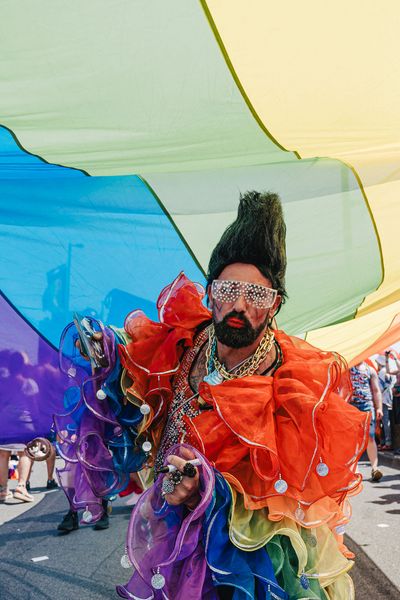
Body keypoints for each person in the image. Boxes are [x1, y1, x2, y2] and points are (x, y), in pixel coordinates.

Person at [63, 191, 369, 599]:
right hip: (169, 517)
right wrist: (106, 348)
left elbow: (278, 499)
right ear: (209, 293)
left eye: (256, 296)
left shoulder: (294, 387)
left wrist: (210, 490)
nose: (239, 305)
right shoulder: (185, 341)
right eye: (228, 291)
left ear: (275, 305)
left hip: (247, 551)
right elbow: (137, 361)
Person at [349, 361, 383, 481]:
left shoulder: (370, 370)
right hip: (350, 407)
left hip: (367, 407)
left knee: (371, 437)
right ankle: (355, 470)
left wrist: (379, 408)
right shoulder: (347, 368)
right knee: (353, 439)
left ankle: (375, 468)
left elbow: (376, 390)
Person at [375, 355, 396, 450]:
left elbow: (380, 388)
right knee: (386, 421)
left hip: (383, 399)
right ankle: (386, 441)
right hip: (389, 398)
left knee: (385, 421)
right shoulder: (389, 371)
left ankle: (387, 442)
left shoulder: (381, 372)